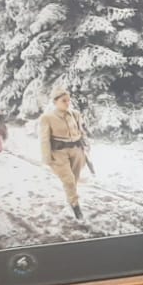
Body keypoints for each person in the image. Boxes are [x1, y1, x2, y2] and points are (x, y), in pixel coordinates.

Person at [39, 88, 89, 218]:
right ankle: (75, 206)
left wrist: (86, 147)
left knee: (74, 179)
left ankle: (70, 197)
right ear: (55, 102)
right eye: (63, 101)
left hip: (76, 150)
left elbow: (82, 132)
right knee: (69, 180)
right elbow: (44, 139)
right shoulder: (47, 118)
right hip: (59, 153)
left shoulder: (75, 114)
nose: (67, 103)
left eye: (68, 100)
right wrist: (47, 158)